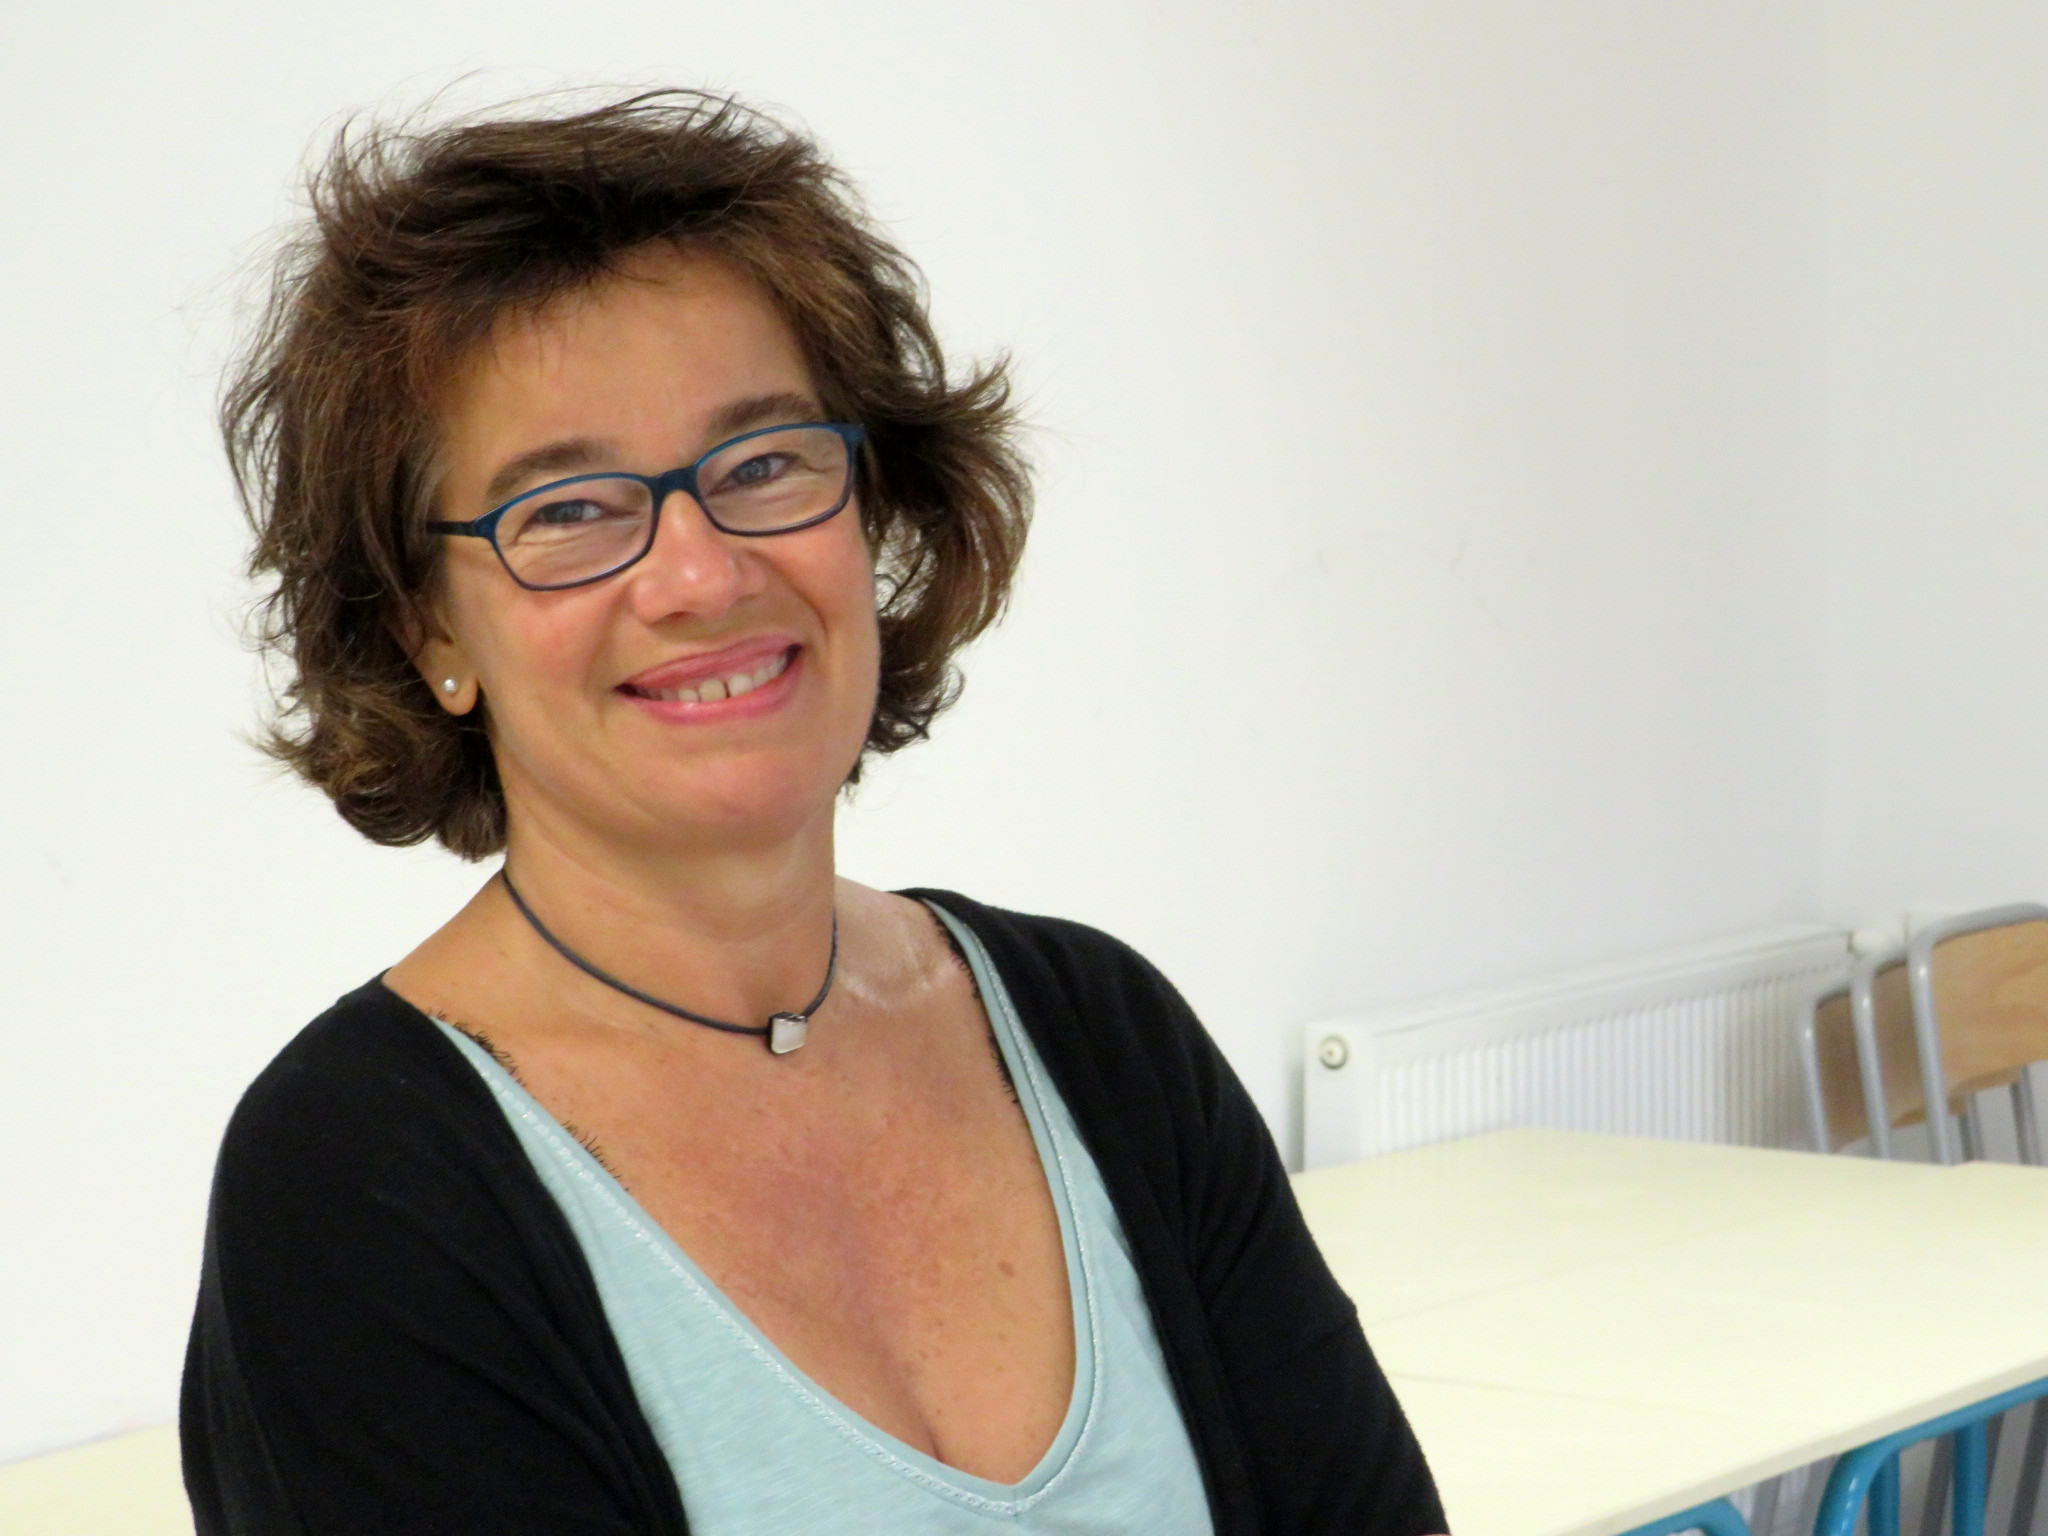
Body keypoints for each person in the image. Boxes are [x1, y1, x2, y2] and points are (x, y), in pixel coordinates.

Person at [180, 90, 1445, 1536]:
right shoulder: (355, 1183)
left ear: (873, 512)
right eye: (570, 510)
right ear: (428, 629)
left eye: (765, 464)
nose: (702, 575)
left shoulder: (1103, 1036)